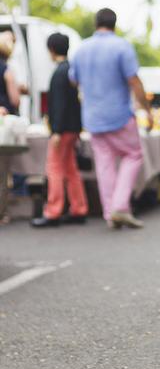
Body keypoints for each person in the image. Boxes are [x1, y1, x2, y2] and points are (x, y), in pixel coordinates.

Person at [69, 8, 153, 229]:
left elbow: (74, 81)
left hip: (93, 118)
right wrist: (147, 110)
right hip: (119, 115)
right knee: (133, 155)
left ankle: (110, 213)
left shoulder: (81, 49)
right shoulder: (121, 46)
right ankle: (119, 206)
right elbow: (134, 82)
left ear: (96, 23)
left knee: (104, 165)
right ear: (114, 24)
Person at [31, 33, 88, 227]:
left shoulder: (58, 74)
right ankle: (79, 208)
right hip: (73, 128)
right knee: (70, 169)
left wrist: (55, 130)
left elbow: (58, 105)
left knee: (54, 168)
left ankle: (53, 211)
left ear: (52, 49)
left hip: (61, 130)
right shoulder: (71, 71)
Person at [0, 32, 21, 224]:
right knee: (2, 172)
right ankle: (2, 212)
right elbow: (15, 99)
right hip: (2, 125)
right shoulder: (6, 70)